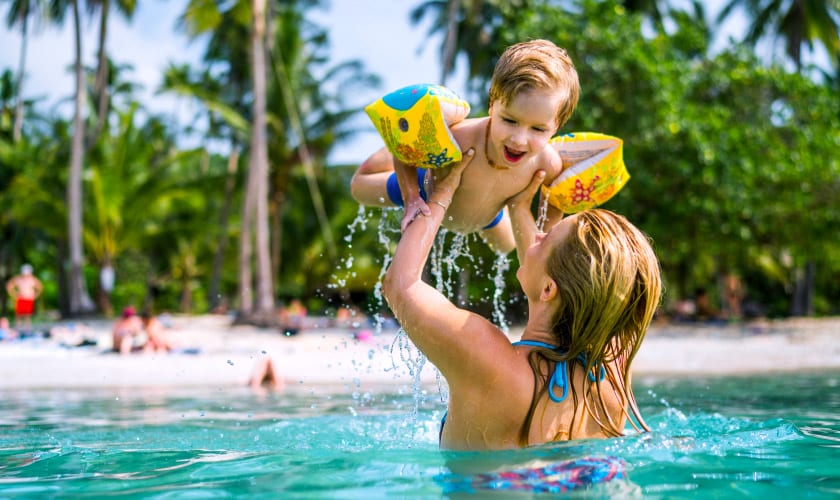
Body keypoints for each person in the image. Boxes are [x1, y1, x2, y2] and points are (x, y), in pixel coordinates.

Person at [381, 151, 662, 450]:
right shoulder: (613, 373)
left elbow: (401, 285)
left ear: (548, 290)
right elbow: (587, 286)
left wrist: (441, 193)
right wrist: (520, 209)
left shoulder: (488, 358)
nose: (537, 237)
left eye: (548, 237)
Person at [351, 39, 579, 254]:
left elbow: (554, 202)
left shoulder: (548, 164)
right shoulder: (460, 138)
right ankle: (391, 146)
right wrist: (411, 197)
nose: (519, 140)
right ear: (492, 106)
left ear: (556, 125)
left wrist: (545, 234)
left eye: (538, 129)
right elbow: (407, 151)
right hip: (426, 187)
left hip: (487, 217)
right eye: (509, 121)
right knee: (359, 188)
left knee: (506, 246)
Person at [5, 264, 43, 332]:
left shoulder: (32, 279)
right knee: (18, 315)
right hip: (21, 298)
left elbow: (40, 287)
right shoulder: (18, 279)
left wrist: (35, 295)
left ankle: (27, 330)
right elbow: (9, 285)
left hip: (29, 299)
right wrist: (14, 294)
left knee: (27, 315)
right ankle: (16, 330)